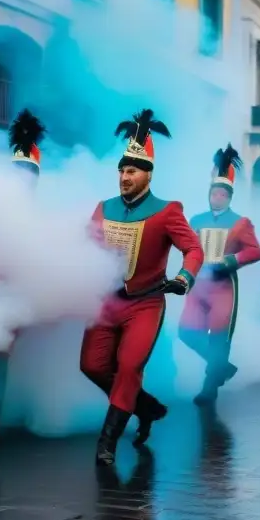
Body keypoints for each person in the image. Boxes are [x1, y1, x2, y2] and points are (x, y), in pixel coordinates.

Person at [81, 109, 203, 465]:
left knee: (130, 365)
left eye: (131, 170)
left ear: (148, 174)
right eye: (121, 170)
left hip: (145, 304)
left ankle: (107, 443)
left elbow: (193, 249)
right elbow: (83, 248)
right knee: (91, 366)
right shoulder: (103, 209)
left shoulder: (167, 211)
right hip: (105, 302)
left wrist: (184, 278)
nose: (124, 176)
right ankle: (145, 406)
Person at [0, 108, 45, 445]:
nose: (22, 178)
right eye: (18, 171)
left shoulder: (37, 213)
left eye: (28, 172)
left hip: (15, 292)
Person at [179, 144, 260, 404]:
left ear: (229, 197)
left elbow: (255, 251)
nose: (217, 197)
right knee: (186, 332)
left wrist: (231, 260)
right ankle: (221, 367)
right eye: (214, 192)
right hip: (198, 285)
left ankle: (209, 388)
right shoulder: (195, 219)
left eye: (222, 194)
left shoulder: (241, 222)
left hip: (224, 286)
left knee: (218, 337)